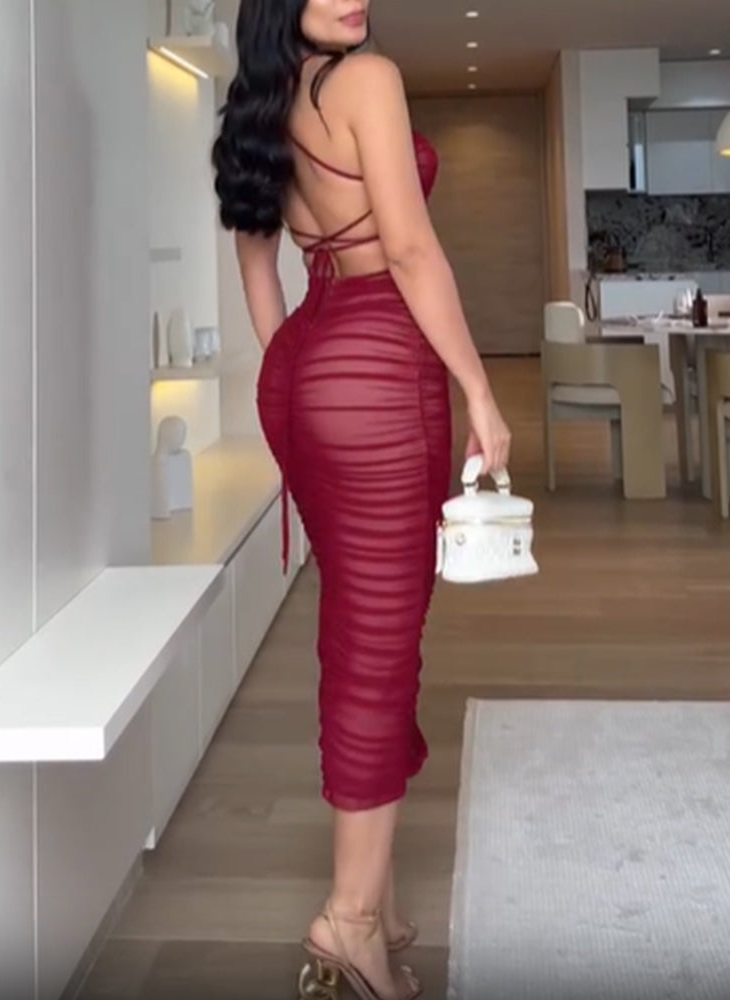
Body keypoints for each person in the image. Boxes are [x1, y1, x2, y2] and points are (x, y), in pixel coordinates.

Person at [212, 2, 511, 997]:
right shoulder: (367, 81)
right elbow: (411, 251)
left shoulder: (260, 102)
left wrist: (298, 371)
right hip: (382, 367)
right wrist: (479, 389)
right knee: (380, 647)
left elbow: (256, 260)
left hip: (311, 366)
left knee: (357, 628)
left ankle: (373, 900)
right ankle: (346, 919)